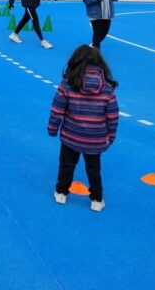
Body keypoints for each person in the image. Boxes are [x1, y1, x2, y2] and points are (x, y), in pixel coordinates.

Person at [48, 45, 119, 212]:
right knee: (94, 168)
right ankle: (96, 199)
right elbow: (113, 116)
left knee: (66, 165)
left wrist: (52, 129)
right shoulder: (107, 88)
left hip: (71, 136)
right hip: (95, 139)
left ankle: (61, 192)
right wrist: (111, 136)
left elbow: (57, 110)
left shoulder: (67, 84)